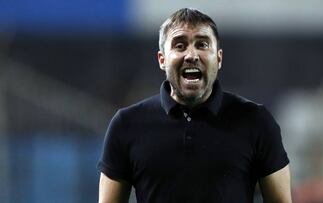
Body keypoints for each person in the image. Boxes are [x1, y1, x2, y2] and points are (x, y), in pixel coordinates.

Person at [98, 8, 292, 203]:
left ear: (219, 58)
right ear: (162, 60)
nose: (191, 54)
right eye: (180, 45)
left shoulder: (256, 121)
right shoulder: (127, 124)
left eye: (202, 44)